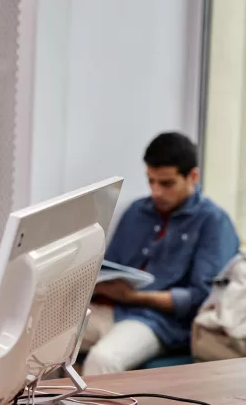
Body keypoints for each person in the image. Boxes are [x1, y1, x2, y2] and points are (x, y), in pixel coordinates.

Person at [83, 132, 240, 374]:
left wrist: (133, 297)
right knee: (36, 344)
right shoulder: (136, 211)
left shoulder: (213, 222)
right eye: (151, 181)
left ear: (193, 176)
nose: (156, 191)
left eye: (166, 184)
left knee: (103, 360)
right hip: (110, 309)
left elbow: (202, 297)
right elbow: (108, 267)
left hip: (160, 323)